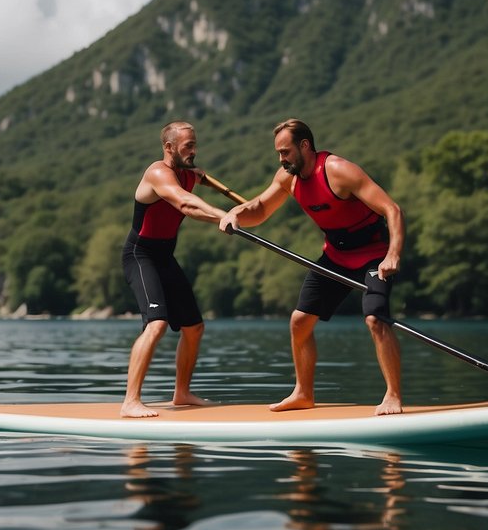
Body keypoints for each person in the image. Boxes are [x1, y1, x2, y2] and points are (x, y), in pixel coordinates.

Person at [219, 118, 405, 415]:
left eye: (285, 152)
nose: (281, 159)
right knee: (299, 321)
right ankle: (303, 393)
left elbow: (391, 209)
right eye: (278, 153)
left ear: (305, 146)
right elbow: (261, 208)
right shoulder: (287, 178)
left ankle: (393, 396)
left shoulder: (338, 170)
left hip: (374, 255)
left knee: (375, 319)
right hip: (336, 257)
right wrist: (236, 213)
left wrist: (392, 254)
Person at [121, 121, 229, 418]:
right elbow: (186, 205)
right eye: (187, 147)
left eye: (195, 145)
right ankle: (130, 401)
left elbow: (195, 180)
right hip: (140, 256)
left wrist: (199, 177)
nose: (194, 151)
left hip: (165, 256)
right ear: (169, 148)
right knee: (156, 324)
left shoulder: (188, 174)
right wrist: (223, 216)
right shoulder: (158, 173)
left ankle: (181, 393)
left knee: (194, 328)